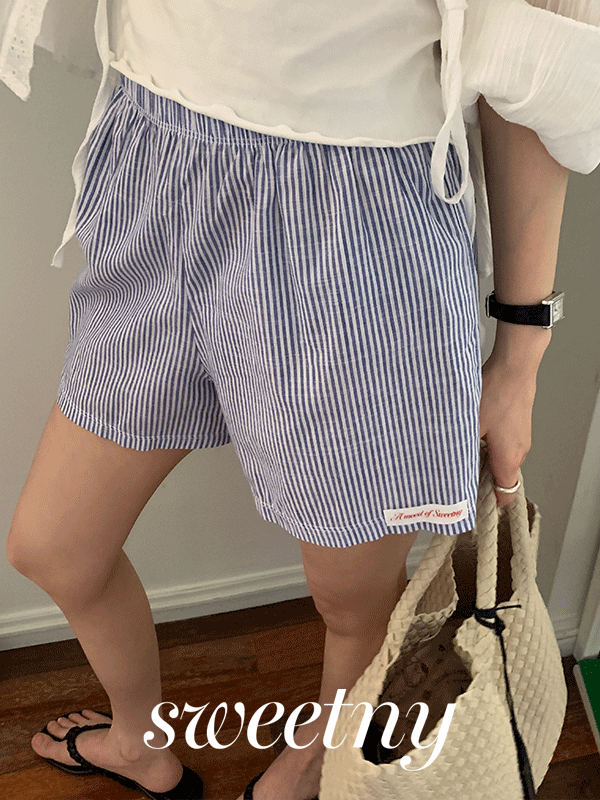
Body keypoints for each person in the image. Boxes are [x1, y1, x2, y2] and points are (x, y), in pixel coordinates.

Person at [3, 0, 596, 797]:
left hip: (358, 222)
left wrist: (520, 356)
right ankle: (139, 743)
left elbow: (538, 73)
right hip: (154, 163)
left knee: (351, 598)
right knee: (55, 546)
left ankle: (314, 763)